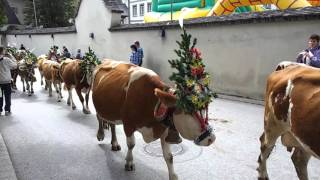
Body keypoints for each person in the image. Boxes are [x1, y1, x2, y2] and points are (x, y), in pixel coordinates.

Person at [0, 46, 17, 116]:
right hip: (6, 82)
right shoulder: (6, 59)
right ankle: (7, 110)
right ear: (2, 51)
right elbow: (15, 65)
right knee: (7, 96)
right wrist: (12, 56)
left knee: (0, 96)